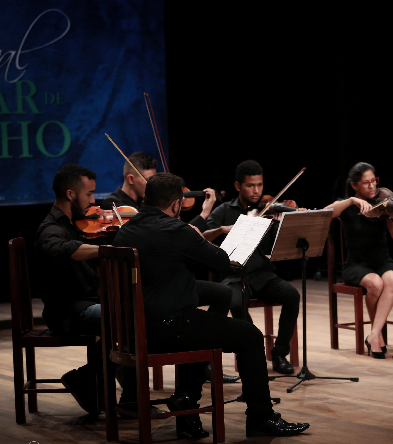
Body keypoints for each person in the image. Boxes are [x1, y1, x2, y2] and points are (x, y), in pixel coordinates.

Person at [113, 172, 309, 437]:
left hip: (132, 330)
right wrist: (195, 234)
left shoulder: (127, 229)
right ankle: (260, 418)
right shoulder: (176, 229)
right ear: (175, 204)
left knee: (204, 321)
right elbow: (220, 260)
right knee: (250, 336)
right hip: (167, 328)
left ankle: (186, 403)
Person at [102, 152, 237, 382]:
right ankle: (190, 379)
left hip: (146, 295)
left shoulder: (133, 224)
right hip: (155, 302)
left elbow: (177, 240)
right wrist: (201, 227)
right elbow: (182, 241)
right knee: (244, 334)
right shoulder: (114, 207)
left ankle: (197, 370)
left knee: (221, 292)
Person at [34, 164, 135, 415]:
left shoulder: (80, 224)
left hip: (88, 304)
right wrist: (105, 251)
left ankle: (90, 379)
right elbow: (59, 248)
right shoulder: (50, 228)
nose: (94, 201)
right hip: (67, 312)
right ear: (70, 194)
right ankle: (121, 395)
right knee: (127, 319)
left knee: (131, 315)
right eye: (89, 194)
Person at [204, 160, 300, 375]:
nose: (257, 191)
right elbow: (202, 238)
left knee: (292, 295)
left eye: (260, 185)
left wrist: (283, 223)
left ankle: (279, 354)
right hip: (234, 275)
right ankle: (252, 348)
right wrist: (221, 230)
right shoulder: (224, 211)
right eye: (250, 186)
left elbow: (279, 247)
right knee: (236, 303)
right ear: (238, 186)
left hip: (263, 274)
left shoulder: (269, 210)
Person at [324, 162, 393, 358]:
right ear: (354, 185)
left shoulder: (383, 205)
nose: (372, 186)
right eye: (366, 183)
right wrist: (351, 201)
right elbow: (326, 213)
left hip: (382, 261)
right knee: (375, 283)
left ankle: (374, 334)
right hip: (356, 264)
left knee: (391, 279)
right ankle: (377, 337)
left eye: (374, 181)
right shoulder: (348, 208)